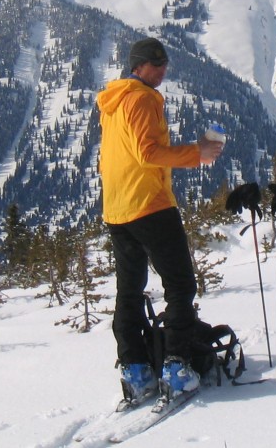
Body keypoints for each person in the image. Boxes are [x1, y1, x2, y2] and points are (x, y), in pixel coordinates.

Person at [96, 37, 224, 406]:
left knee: (131, 290)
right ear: (137, 67)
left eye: (165, 62)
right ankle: (176, 365)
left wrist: (192, 150)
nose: (162, 69)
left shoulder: (114, 101)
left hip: (117, 208)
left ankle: (136, 370)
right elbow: (148, 152)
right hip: (149, 204)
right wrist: (197, 154)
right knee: (181, 284)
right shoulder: (142, 98)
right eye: (156, 64)